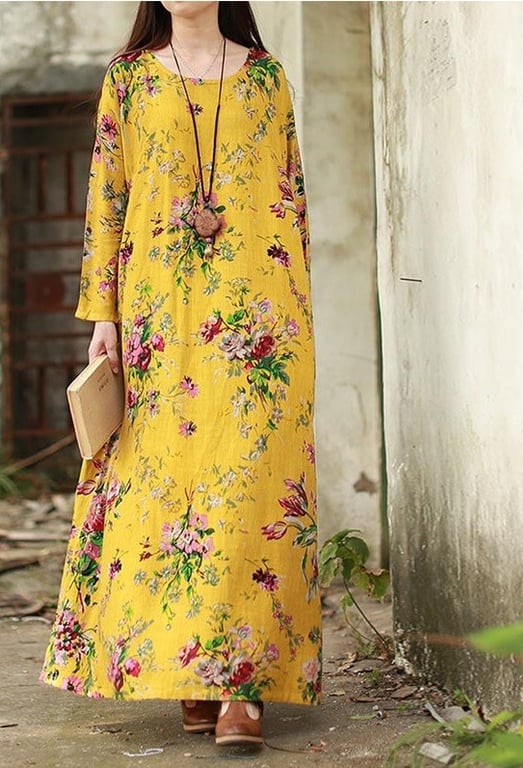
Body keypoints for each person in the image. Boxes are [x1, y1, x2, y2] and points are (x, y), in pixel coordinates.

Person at [40, 1, 320, 747]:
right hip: (157, 319)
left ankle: (242, 685)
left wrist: (295, 317)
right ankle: (189, 671)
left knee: (252, 488)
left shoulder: (265, 79)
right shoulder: (128, 79)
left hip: (259, 323)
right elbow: (107, 198)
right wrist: (102, 314)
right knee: (168, 493)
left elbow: (290, 200)